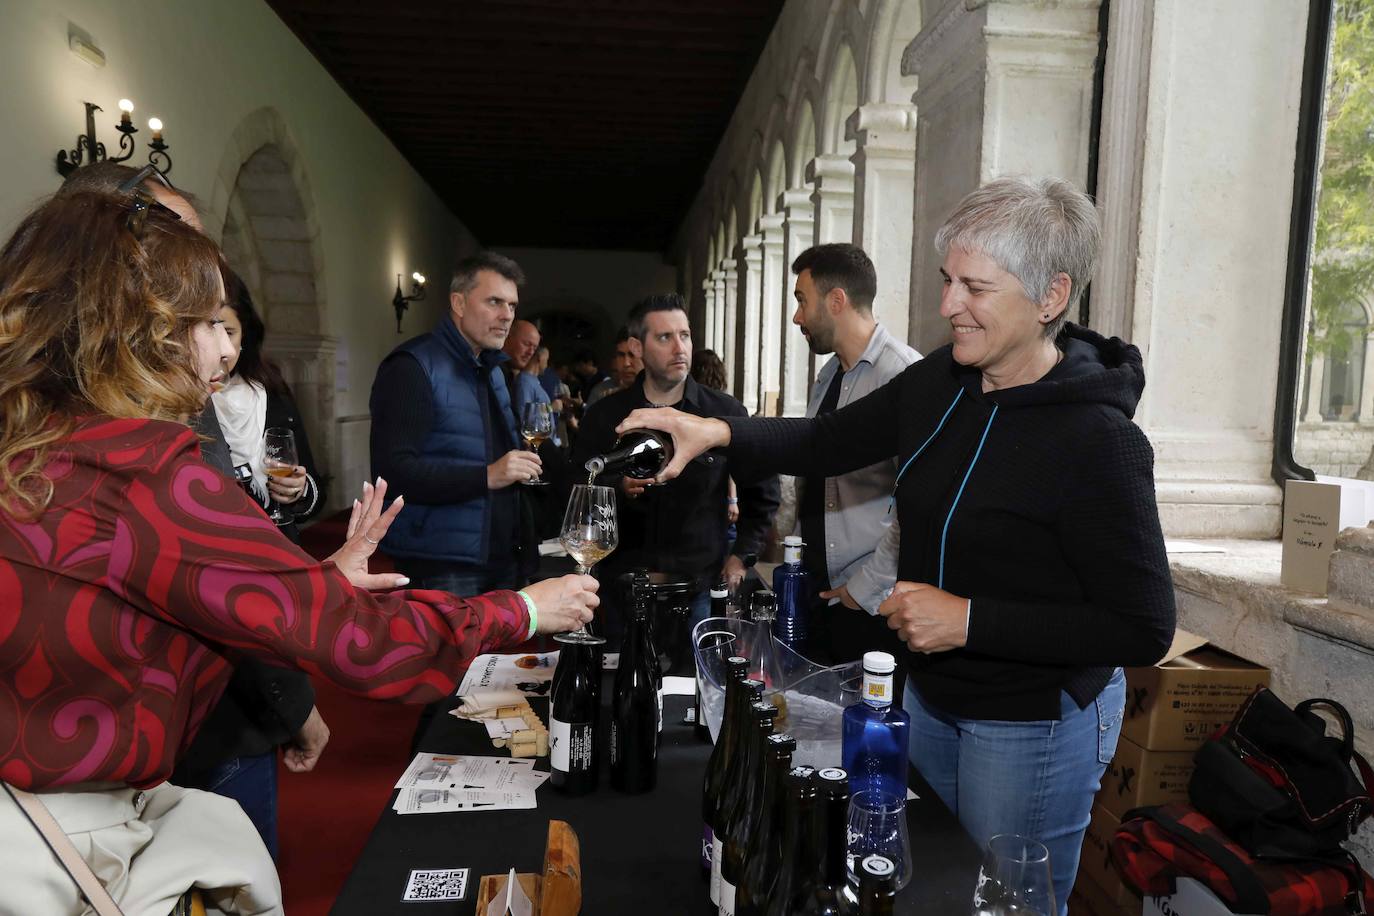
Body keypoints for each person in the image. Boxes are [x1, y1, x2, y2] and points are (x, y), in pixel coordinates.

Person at [0, 188, 598, 915]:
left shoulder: (32, 444)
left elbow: (112, 601)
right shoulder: (145, 475)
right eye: (205, 322)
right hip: (71, 836)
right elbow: (367, 644)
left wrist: (303, 581)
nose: (226, 348)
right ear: (139, 331)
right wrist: (523, 610)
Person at [618, 178, 1176, 913]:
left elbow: (1143, 625)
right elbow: (825, 439)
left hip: (1029, 720)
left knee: (1000, 904)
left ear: (1051, 296)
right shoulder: (941, 384)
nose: (948, 306)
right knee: (927, 887)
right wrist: (716, 430)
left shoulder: (1099, 441)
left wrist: (970, 619)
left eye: (974, 287)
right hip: (932, 699)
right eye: (948, 282)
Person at [58, 162, 326, 861]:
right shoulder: (142, 407)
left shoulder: (157, 387)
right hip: (155, 736)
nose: (207, 265)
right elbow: (217, 581)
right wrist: (294, 704)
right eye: (179, 239)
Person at [574, 293, 780, 632]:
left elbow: (762, 491)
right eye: (665, 337)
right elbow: (577, 489)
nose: (679, 348)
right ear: (637, 347)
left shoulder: (724, 414)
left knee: (697, 684)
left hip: (698, 589)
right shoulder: (605, 416)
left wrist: (742, 555)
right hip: (619, 588)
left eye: (684, 335)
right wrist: (617, 487)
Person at [369, 251, 538, 596]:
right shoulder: (412, 367)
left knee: (501, 653)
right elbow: (394, 472)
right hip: (442, 564)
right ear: (458, 303)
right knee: (452, 653)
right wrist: (488, 475)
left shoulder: (493, 371)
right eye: (494, 302)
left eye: (512, 305)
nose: (507, 316)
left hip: (501, 557)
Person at [788, 243, 920, 665]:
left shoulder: (902, 376)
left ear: (836, 300)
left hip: (867, 605)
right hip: (819, 592)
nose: (797, 317)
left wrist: (862, 589)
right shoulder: (829, 375)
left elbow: (916, 505)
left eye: (801, 301)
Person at [213, 271, 326, 543]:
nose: (220, 348)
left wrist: (299, 490)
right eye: (207, 329)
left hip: (278, 547)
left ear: (245, 336)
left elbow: (314, 488)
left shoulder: (271, 391)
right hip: (219, 552)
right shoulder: (185, 403)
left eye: (229, 332)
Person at [586, 327, 642, 407]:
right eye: (621, 355)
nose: (626, 363)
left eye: (632, 355)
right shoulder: (601, 396)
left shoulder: (662, 398)